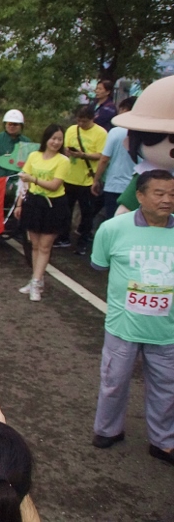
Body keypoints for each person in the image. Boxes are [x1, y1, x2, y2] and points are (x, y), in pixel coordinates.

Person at [89, 169, 174, 466]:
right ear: (140, 196)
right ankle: (108, 430)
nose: (167, 200)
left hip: (167, 329)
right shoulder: (113, 229)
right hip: (123, 326)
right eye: (159, 193)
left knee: (167, 386)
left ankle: (163, 442)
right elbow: (99, 265)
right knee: (114, 380)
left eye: (172, 194)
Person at [15, 124, 71, 301]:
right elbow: (23, 182)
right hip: (33, 203)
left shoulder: (63, 160)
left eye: (59, 139)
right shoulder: (34, 156)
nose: (56, 142)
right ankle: (36, 279)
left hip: (53, 206)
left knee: (45, 247)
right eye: (53, 138)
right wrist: (19, 204)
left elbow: (55, 185)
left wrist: (33, 179)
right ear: (46, 139)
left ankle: (36, 282)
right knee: (35, 245)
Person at [58, 105, 107, 253]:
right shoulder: (72, 130)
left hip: (87, 179)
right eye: (78, 120)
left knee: (87, 213)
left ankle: (83, 242)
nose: (80, 124)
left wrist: (84, 155)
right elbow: (65, 148)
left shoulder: (101, 133)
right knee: (66, 210)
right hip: (70, 177)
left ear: (93, 119)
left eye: (84, 121)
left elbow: (102, 155)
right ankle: (63, 237)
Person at [92, 97, 137, 220]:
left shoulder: (115, 132)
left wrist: (96, 179)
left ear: (124, 109)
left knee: (112, 219)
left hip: (114, 184)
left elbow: (104, 159)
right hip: (135, 186)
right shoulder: (145, 133)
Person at [0, 110, 32, 179]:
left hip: (20, 181)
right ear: (5, 125)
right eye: (9, 124)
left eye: (15, 124)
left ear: (21, 126)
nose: (12, 126)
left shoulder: (26, 142)